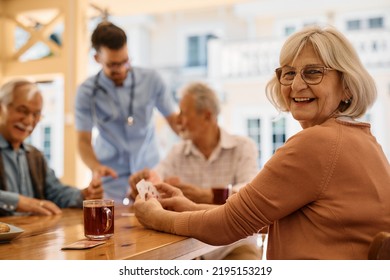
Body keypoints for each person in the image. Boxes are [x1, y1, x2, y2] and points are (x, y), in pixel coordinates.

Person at [133, 25, 390, 260]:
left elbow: (227, 225)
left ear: (346, 86)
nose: (297, 84)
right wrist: (189, 207)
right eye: (288, 73)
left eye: (313, 73)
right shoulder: (365, 140)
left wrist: (156, 217)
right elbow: (261, 216)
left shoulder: (318, 142)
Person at [130, 82, 262, 259]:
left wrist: (206, 195)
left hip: (235, 244)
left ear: (207, 116)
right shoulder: (177, 152)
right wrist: (143, 183)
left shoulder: (243, 147)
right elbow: (155, 179)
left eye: (183, 113)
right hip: (188, 248)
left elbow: (249, 195)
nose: (177, 120)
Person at [75, 21, 178, 203]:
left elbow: (176, 123)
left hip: (148, 174)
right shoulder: (86, 91)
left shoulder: (152, 80)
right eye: (113, 65)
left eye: (125, 62)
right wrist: (96, 167)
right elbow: (83, 140)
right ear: (97, 58)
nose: (121, 69)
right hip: (110, 179)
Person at [0, 78, 103, 216]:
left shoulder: (35, 155)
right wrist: (17, 201)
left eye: (36, 114)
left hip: (33, 234)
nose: (29, 121)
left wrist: (84, 195)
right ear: (1, 108)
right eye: (22, 110)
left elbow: (55, 192)